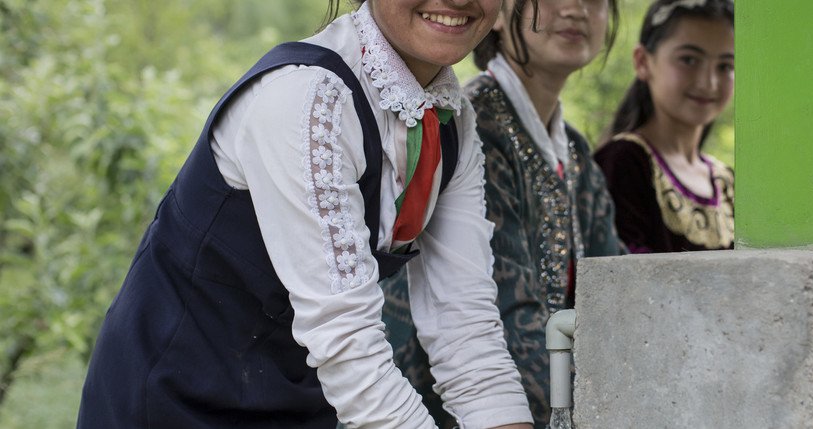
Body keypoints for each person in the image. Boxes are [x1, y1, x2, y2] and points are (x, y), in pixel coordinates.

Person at [75, 1, 534, 428]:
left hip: (299, 406)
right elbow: (346, 341)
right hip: (172, 402)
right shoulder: (306, 96)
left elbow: (466, 328)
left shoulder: (454, 124)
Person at [381, 0, 621, 427]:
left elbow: (616, 297)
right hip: (444, 404)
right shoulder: (471, 126)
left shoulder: (576, 153)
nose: (577, 9)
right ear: (500, 12)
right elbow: (509, 325)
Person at [594, 0, 735, 254]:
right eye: (689, 60)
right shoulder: (624, 162)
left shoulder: (727, 182)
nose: (708, 83)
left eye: (725, 66)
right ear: (643, 62)